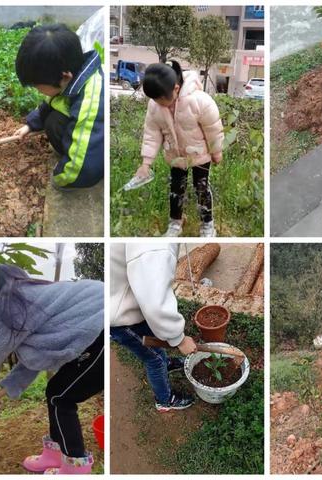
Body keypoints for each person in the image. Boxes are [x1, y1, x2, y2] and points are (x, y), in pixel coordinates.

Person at [0, 264, 104, 474]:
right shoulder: (32, 302)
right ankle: (53, 454)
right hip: (97, 327)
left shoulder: (11, 301)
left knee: (61, 398)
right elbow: (34, 363)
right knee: (55, 391)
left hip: (104, 329)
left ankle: (75, 469)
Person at [134, 60, 224, 237]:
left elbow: (213, 128)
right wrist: (146, 163)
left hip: (200, 155)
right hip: (175, 156)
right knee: (176, 189)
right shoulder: (155, 107)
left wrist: (216, 151)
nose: (159, 104)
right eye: (155, 100)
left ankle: (207, 224)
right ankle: (175, 223)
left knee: (201, 187)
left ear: (175, 89)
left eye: (161, 100)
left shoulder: (199, 101)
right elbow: (152, 134)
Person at [14, 24, 104, 190]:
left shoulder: (90, 102)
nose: (37, 89)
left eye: (36, 85)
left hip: (97, 148)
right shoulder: (73, 78)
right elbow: (51, 102)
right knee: (53, 119)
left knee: (58, 126)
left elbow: (85, 160)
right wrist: (30, 125)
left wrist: (63, 177)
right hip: (88, 133)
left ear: (64, 77)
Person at [110, 243, 197, 412]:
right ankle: (164, 400)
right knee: (154, 359)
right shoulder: (154, 245)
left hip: (130, 304)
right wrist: (179, 339)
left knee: (154, 347)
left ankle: (166, 363)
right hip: (122, 321)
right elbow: (155, 304)